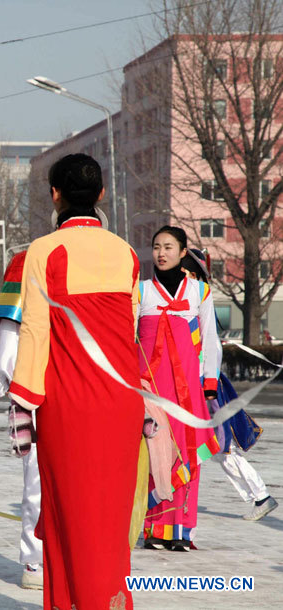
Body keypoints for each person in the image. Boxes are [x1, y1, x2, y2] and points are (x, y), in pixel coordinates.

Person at [8, 154, 141, 610]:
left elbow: (35, 330)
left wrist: (22, 405)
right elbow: (132, 333)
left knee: (73, 517)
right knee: (110, 519)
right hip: (124, 403)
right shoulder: (126, 253)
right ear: (102, 194)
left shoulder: (43, 252)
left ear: (54, 195)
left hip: (70, 404)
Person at [138, 227, 221, 552]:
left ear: (183, 251)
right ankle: (153, 528)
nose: (161, 253)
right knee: (154, 456)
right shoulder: (142, 292)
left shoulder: (199, 292)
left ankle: (182, 531)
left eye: (169, 247)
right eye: (157, 246)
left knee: (187, 457)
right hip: (151, 390)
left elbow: (211, 341)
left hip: (187, 390)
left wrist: (210, 385)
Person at [179, 249, 277, 522]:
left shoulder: (198, 301)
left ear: (195, 275)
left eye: (184, 272)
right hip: (194, 386)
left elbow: (210, 350)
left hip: (205, 388)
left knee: (221, 448)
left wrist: (205, 385)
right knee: (213, 449)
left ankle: (260, 496)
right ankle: (259, 497)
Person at [0, 249, 43, 591]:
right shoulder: (29, 259)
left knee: (49, 478)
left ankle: (47, 559)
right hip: (49, 381)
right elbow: (12, 321)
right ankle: (37, 558)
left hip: (62, 383)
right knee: (40, 477)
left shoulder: (110, 255)